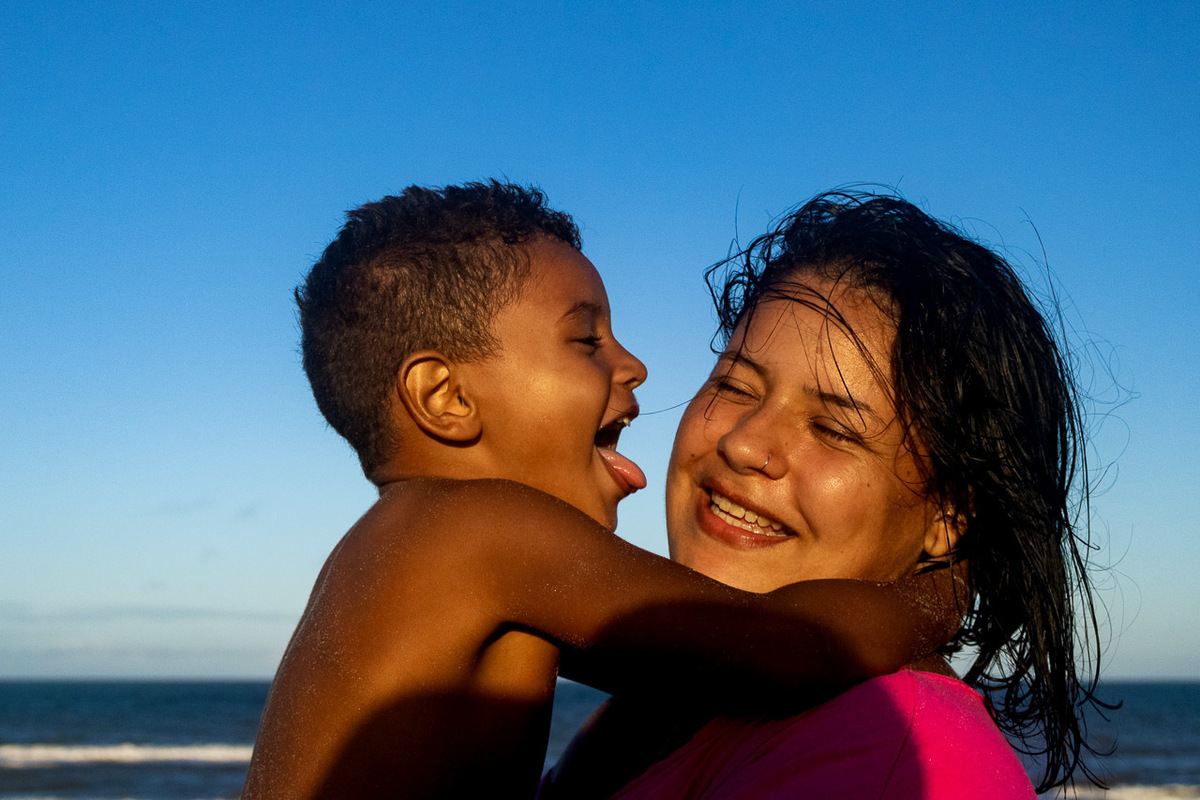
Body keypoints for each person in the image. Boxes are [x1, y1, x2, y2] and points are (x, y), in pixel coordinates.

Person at [240, 182, 963, 800]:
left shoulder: (414, 560)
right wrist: (943, 594)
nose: (635, 365)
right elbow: (777, 649)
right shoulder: (475, 531)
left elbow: (659, 697)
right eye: (586, 341)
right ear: (446, 398)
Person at [543, 190, 1108, 798]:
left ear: (949, 515)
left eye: (834, 429)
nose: (744, 443)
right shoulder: (670, 710)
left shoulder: (893, 756)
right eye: (735, 386)